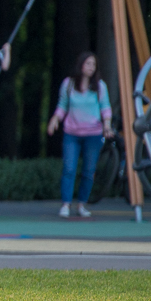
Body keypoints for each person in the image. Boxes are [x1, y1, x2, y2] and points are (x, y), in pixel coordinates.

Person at [46, 51, 113, 218]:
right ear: (81, 65)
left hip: (93, 134)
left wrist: (107, 126)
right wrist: (55, 119)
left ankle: (82, 204)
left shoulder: (100, 86)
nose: (91, 67)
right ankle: (66, 204)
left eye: (93, 65)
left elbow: (105, 108)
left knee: (89, 170)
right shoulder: (68, 84)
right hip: (72, 133)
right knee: (69, 168)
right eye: (88, 63)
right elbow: (62, 105)